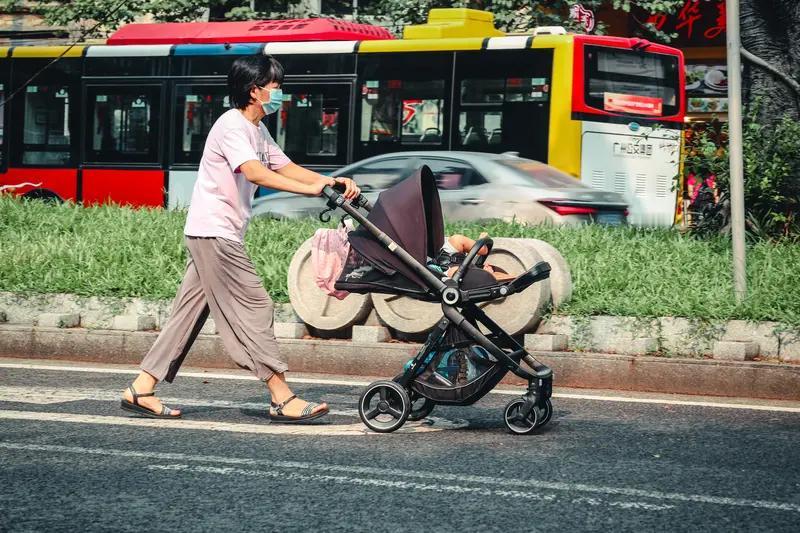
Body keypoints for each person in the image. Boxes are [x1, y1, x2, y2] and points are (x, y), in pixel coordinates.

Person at [120, 55, 360, 423]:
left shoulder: (257, 129)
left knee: (186, 316)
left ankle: (140, 388)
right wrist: (310, 192)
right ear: (255, 90)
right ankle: (282, 396)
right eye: (275, 85)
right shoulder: (231, 126)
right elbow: (257, 173)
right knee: (255, 306)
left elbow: (284, 166)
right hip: (216, 233)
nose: (280, 92)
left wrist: (330, 182)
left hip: (212, 232)